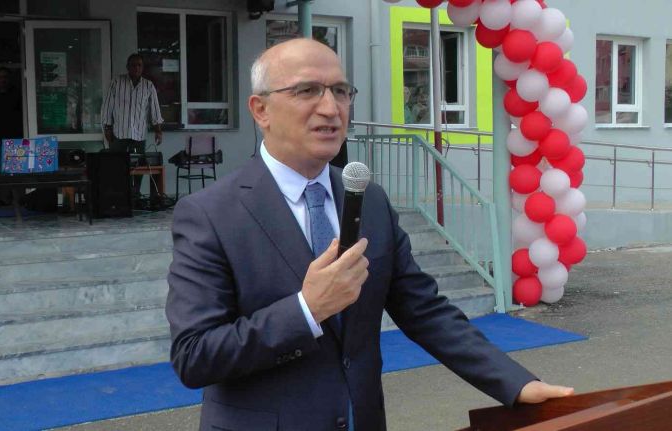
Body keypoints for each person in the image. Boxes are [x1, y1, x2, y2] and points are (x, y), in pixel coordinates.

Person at [166, 38, 573, 431]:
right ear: (261, 110)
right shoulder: (210, 214)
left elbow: (424, 310)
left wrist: (515, 384)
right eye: (308, 90)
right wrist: (306, 310)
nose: (331, 108)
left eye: (341, 92)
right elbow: (194, 355)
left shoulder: (368, 199)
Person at [100, 53, 163, 196]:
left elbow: (155, 109)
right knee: (116, 166)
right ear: (127, 67)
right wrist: (107, 128)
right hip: (119, 134)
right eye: (133, 65)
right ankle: (118, 195)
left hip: (139, 135)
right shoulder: (117, 82)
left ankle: (135, 195)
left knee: (138, 168)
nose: (136, 68)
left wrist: (158, 130)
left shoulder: (148, 86)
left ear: (143, 68)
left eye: (139, 65)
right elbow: (107, 106)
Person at [0, 67, 23, 173]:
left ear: (9, 78)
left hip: (14, 137)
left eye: (5, 77)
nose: (3, 80)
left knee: (15, 169)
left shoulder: (17, 94)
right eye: (0, 77)